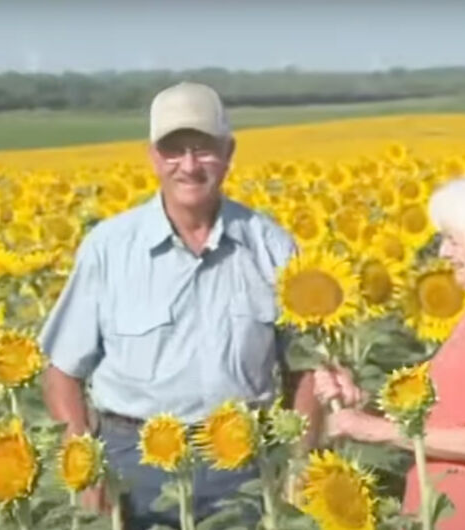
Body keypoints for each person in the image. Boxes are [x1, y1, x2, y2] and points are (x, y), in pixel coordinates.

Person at [39, 82, 319, 529]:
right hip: (133, 463)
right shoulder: (110, 248)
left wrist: (300, 464)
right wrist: (83, 463)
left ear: (229, 152)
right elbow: (62, 371)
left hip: (245, 462)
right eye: (173, 150)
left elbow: (305, 366)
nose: (188, 165)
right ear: (153, 157)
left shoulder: (269, 245)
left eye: (203, 149)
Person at [314, 174, 465, 530]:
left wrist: (374, 430)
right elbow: (446, 415)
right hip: (444, 507)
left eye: (454, 241)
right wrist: (360, 402)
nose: (444, 253)